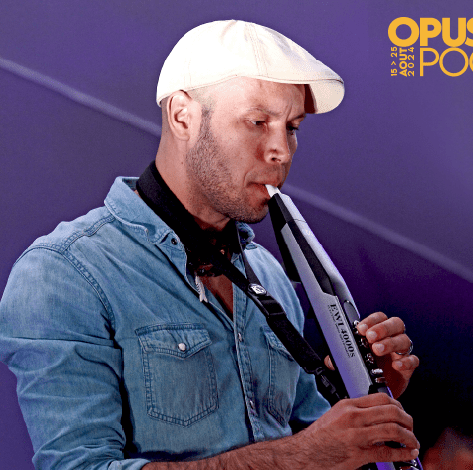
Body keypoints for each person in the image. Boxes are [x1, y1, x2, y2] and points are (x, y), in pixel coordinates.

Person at [0, 20, 420, 469]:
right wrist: (302, 456)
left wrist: (366, 400)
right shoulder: (62, 272)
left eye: (292, 127)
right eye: (258, 122)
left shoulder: (270, 274)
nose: (281, 151)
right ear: (183, 115)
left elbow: (312, 440)